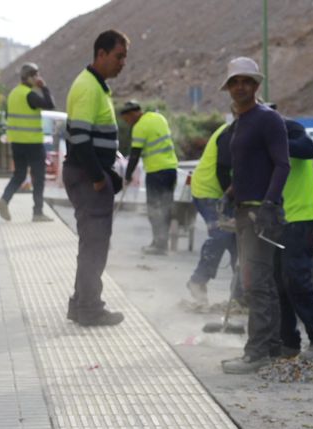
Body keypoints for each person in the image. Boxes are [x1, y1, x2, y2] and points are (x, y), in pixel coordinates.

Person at [218, 58, 289, 374]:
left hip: (262, 214)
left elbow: (281, 164)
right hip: (245, 210)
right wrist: (231, 192)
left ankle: (256, 352)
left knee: (255, 283)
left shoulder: (267, 119)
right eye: (234, 82)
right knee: (261, 282)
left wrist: (269, 205)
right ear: (229, 88)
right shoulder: (240, 122)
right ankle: (271, 347)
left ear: (256, 85)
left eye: (246, 81)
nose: (240, 87)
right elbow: (249, 168)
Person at [62, 30, 128, 326]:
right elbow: (79, 137)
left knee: (91, 242)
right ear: (100, 54)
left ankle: (80, 304)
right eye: (118, 56)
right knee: (95, 244)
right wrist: (99, 178)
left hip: (87, 176)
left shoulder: (95, 86)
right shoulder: (88, 87)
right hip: (88, 178)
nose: (122, 62)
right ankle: (90, 308)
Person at [274, 120, 313, 358]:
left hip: (300, 219)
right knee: (279, 282)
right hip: (277, 221)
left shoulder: (288, 129)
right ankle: (288, 342)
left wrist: (273, 141)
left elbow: (307, 149)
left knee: (297, 279)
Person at [186, 120, 239, 307]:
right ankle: (198, 281)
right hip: (208, 192)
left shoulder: (246, 129)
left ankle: (240, 296)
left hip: (223, 192)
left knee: (238, 242)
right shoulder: (230, 133)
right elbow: (223, 170)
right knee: (222, 234)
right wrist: (232, 199)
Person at [119, 100, 179, 254]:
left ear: (133, 114)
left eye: (127, 119)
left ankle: (158, 245)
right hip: (171, 169)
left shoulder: (139, 127)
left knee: (154, 208)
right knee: (165, 207)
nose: (128, 122)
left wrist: (127, 175)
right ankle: (162, 243)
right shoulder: (158, 117)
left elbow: (134, 155)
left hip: (156, 171)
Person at [0, 63, 54, 222]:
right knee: (39, 177)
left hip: (17, 142)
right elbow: (50, 105)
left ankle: (4, 200)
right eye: (35, 75)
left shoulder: (13, 94)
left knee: (19, 174)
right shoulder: (30, 95)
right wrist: (44, 88)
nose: (37, 78)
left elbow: (9, 116)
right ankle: (38, 213)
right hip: (33, 143)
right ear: (29, 77)